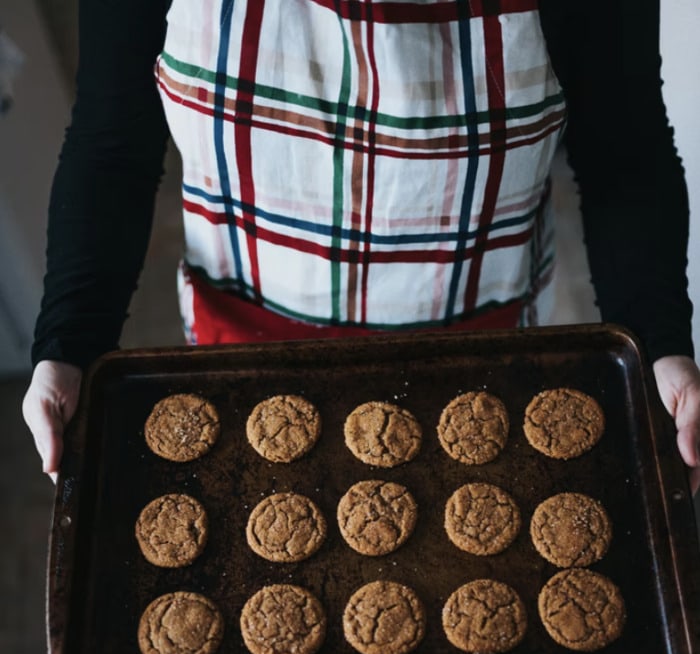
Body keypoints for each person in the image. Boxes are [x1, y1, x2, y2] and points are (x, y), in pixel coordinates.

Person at [22, 0, 700, 492]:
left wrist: (658, 342)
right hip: (246, 355)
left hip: (483, 357)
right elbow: (114, 143)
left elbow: (625, 150)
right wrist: (70, 345)